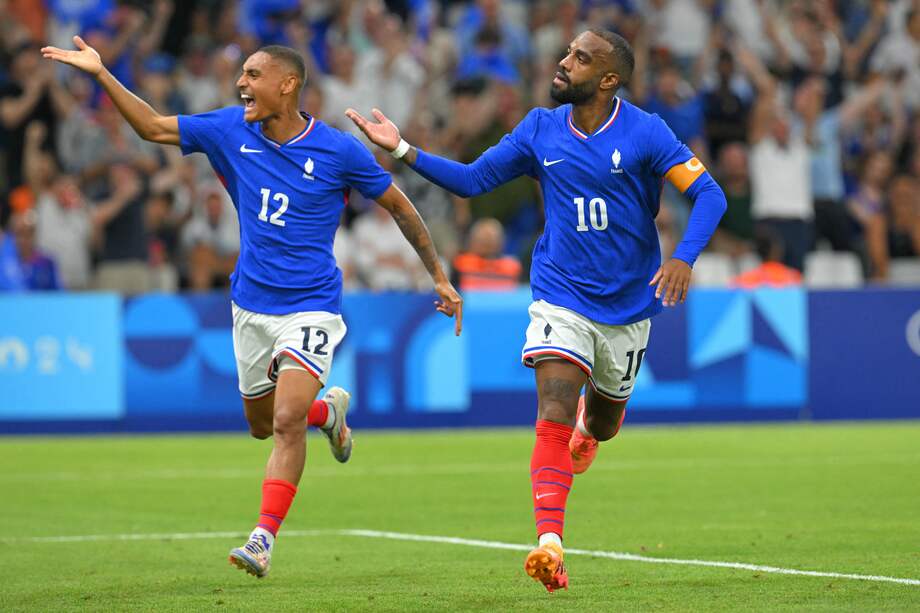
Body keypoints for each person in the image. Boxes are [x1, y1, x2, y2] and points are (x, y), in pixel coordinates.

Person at [43, 36, 462, 578]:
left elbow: (400, 207)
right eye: (241, 74)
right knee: (263, 425)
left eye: (253, 74)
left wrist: (439, 276)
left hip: (312, 305)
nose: (241, 83)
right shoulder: (228, 130)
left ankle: (262, 539)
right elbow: (151, 127)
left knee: (286, 421)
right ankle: (328, 413)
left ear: (287, 84)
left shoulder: (338, 149)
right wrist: (101, 73)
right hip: (250, 305)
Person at [348, 29, 726, 592]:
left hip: (626, 304)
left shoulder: (647, 132)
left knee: (601, 420)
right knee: (553, 405)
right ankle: (551, 543)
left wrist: (684, 257)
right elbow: (473, 180)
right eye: (566, 51)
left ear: (608, 79)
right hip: (562, 291)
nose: (563, 61)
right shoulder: (540, 129)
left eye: (580, 58)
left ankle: (592, 430)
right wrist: (402, 149)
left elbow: (710, 194)